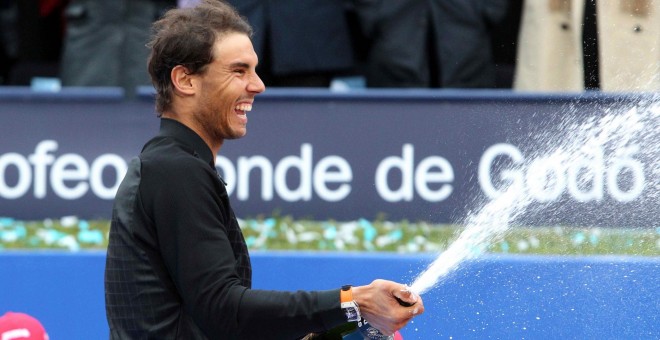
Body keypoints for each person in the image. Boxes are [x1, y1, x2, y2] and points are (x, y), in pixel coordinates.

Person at [103, 1, 424, 339]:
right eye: (239, 71)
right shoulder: (175, 170)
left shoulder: (173, 165)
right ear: (185, 80)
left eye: (254, 70)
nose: (258, 85)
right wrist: (353, 301)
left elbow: (212, 318)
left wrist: (333, 326)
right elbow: (223, 310)